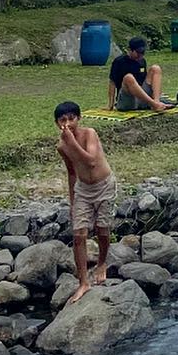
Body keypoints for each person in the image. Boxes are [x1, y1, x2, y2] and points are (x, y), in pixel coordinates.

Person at [55, 101, 117, 304]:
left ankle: (101, 263)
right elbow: (72, 171)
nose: (68, 124)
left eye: (71, 119)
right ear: (57, 123)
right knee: (79, 234)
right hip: (83, 189)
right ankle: (83, 282)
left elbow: (90, 161)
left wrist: (72, 142)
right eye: (63, 120)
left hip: (104, 185)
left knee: (102, 229)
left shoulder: (89, 133)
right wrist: (73, 201)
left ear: (78, 119)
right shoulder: (62, 146)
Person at [107, 37, 171, 113]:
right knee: (129, 77)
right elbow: (112, 83)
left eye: (142, 53)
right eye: (138, 53)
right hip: (128, 99)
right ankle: (154, 104)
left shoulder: (142, 61)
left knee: (155, 68)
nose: (140, 56)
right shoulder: (119, 62)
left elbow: (147, 82)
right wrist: (110, 104)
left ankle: (156, 101)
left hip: (142, 98)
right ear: (130, 50)